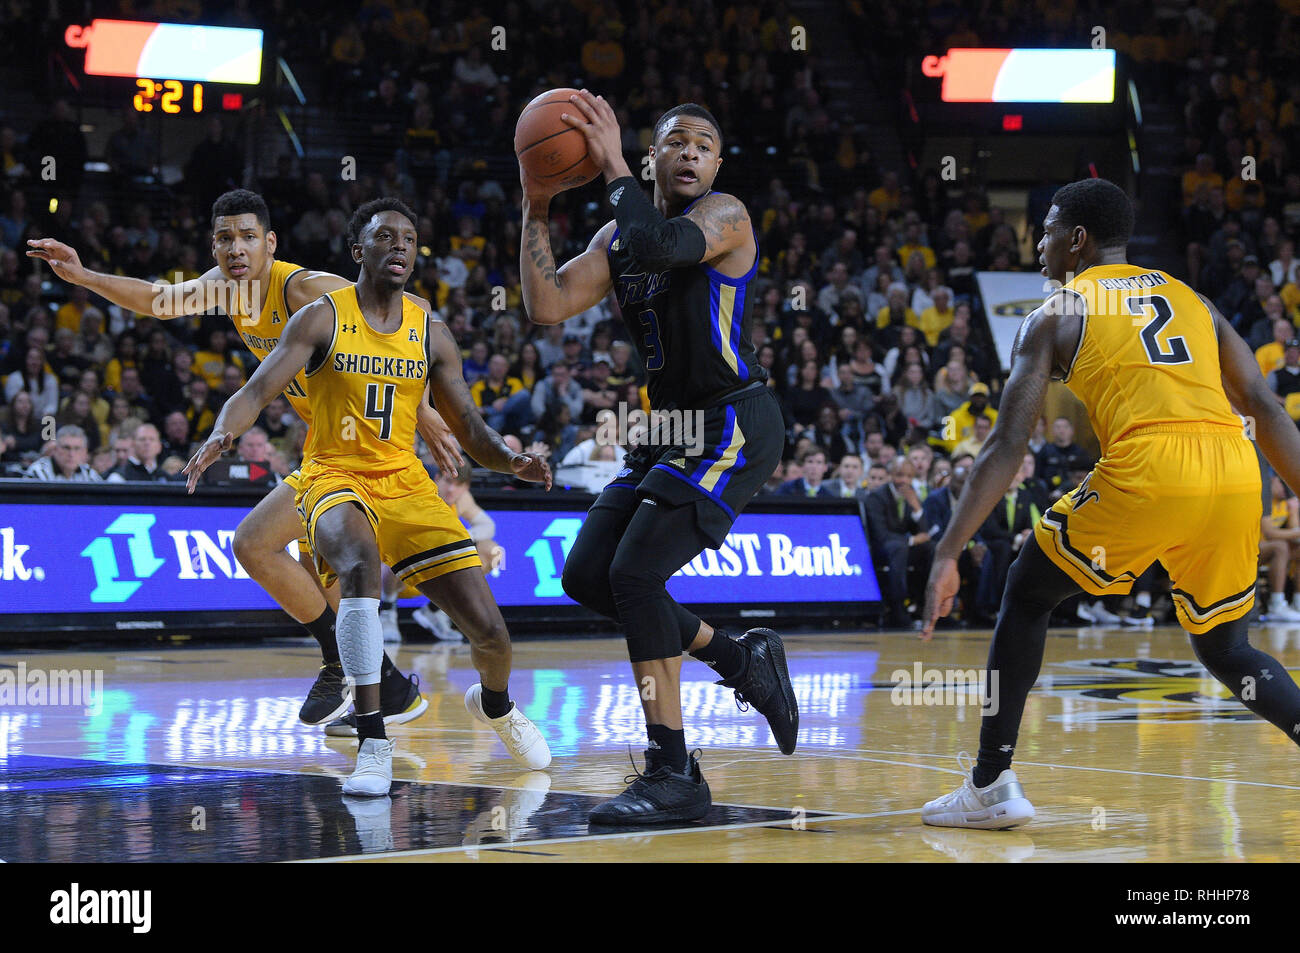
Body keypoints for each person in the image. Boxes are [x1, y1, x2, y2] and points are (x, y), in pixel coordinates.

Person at [921, 178, 1300, 828]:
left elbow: (1007, 445)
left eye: (1044, 230)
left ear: (1077, 240)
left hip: (1152, 465)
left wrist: (949, 550)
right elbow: (1264, 407)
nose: (1037, 245)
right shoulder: (1192, 298)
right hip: (1236, 469)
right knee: (1227, 646)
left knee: (1029, 593)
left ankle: (990, 783)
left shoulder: (1057, 310)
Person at [28, 190, 458, 731]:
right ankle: (383, 684)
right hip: (328, 446)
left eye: (249, 237)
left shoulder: (305, 288)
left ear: (270, 242)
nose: (237, 248)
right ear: (213, 247)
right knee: (304, 557)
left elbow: (397, 318)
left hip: (369, 448)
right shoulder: (223, 289)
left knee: (258, 543)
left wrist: (428, 412)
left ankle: (358, 671)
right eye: (226, 238)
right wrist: (85, 276)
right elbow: (156, 298)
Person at [183, 198, 554, 794]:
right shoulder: (320, 317)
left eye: (409, 238)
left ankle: (497, 704)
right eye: (386, 237)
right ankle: (373, 738)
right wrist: (221, 434)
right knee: (358, 571)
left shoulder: (430, 329)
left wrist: (513, 461)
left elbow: (470, 428)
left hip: (404, 481)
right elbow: (255, 391)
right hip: (332, 474)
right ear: (359, 251)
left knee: (490, 634)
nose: (401, 247)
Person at [520, 94, 797, 824]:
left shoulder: (725, 216)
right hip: (670, 426)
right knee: (587, 575)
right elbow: (546, 305)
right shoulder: (617, 234)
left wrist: (610, 162)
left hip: (734, 417)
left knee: (635, 574)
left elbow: (665, 249)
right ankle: (741, 659)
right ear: (654, 157)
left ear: (717, 164)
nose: (691, 153)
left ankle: (674, 769)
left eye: (705, 144)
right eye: (676, 142)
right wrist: (536, 202)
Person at [23, 424, 101, 481]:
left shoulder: (89, 473)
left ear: (85, 452)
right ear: (55, 449)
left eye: (77, 449)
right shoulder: (38, 472)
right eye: (66, 448)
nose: (71, 454)